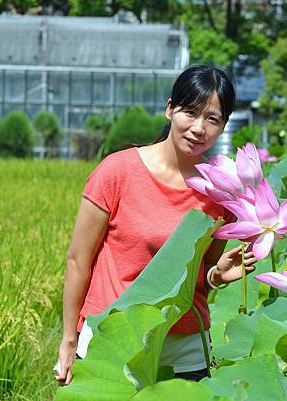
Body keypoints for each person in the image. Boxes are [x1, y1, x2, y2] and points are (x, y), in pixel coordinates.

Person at [55, 65, 256, 386]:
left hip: (185, 346)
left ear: (223, 126)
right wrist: (68, 341)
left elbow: (200, 273)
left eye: (212, 119)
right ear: (169, 109)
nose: (199, 128)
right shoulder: (117, 172)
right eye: (189, 113)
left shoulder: (221, 191)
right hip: (113, 336)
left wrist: (218, 275)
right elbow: (79, 261)